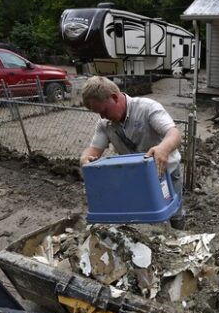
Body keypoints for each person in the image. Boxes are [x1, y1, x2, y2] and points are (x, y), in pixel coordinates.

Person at [79, 76, 185, 229]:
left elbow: (174, 134)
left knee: (173, 212)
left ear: (114, 98)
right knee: (145, 215)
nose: (102, 116)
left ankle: (178, 232)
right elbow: (94, 150)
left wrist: (163, 149)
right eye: (98, 114)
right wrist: (85, 158)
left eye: (104, 111)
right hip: (137, 177)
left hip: (165, 173)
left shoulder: (147, 108)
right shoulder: (105, 123)